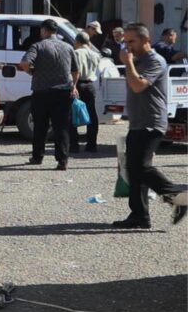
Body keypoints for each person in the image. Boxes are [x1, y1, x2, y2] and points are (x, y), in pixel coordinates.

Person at [111, 23, 186, 228]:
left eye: (131, 41)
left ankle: (179, 197)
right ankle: (139, 216)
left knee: (141, 167)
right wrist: (128, 59)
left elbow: (137, 86)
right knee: (134, 170)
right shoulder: (137, 59)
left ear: (146, 40)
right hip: (138, 122)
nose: (127, 46)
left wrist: (127, 63)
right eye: (125, 42)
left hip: (151, 122)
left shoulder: (155, 61)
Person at [19, 19, 78, 171]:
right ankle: (62, 160)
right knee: (62, 127)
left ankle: (37, 156)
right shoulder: (68, 47)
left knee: (40, 126)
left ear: (44, 31)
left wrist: (31, 72)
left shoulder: (38, 46)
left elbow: (25, 63)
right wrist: (74, 86)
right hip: (63, 92)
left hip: (42, 92)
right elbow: (76, 71)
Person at [68, 32, 100, 153]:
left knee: (73, 113)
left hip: (78, 84)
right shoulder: (95, 54)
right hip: (90, 84)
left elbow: (74, 71)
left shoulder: (76, 53)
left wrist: (73, 86)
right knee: (92, 114)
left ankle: (74, 144)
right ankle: (92, 144)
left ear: (77, 41)